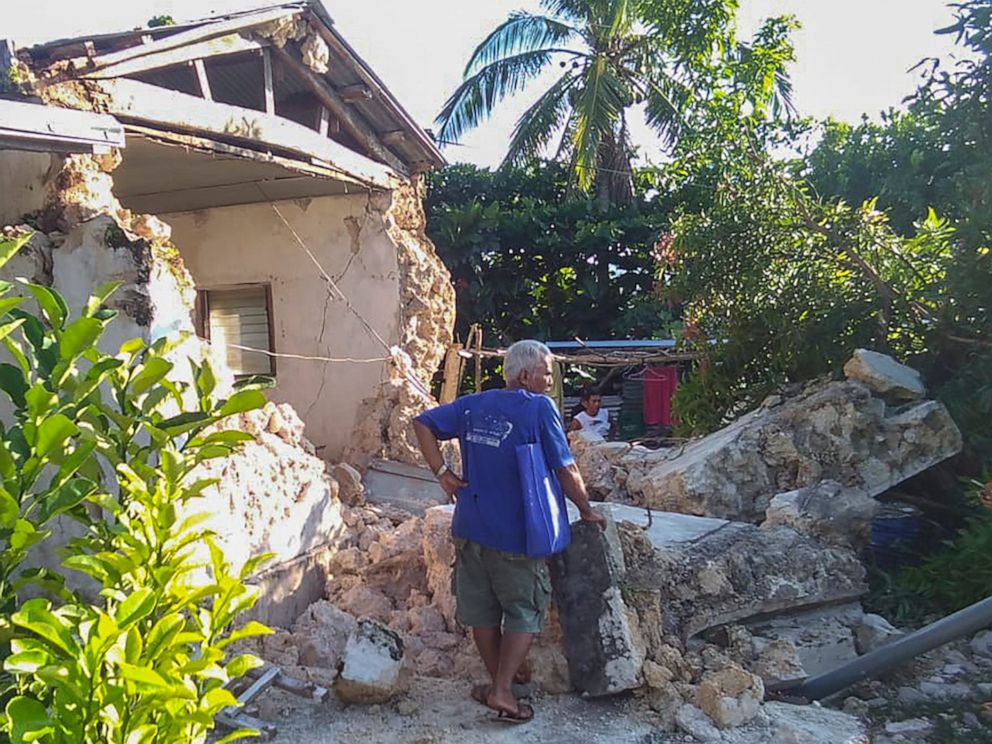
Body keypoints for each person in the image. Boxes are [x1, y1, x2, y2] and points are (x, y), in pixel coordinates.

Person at [412, 340, 607, 724]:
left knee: (482, 611)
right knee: (523, 609)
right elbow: (565, 468)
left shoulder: (473, 404)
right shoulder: (539, 408)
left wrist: (443, 474)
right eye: (546, 372)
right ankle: (503, 691)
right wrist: (585, 509)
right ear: (525, 375)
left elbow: (421, 423)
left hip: (470, 526)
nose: (550, 381)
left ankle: (498, 683)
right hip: (517, 533)